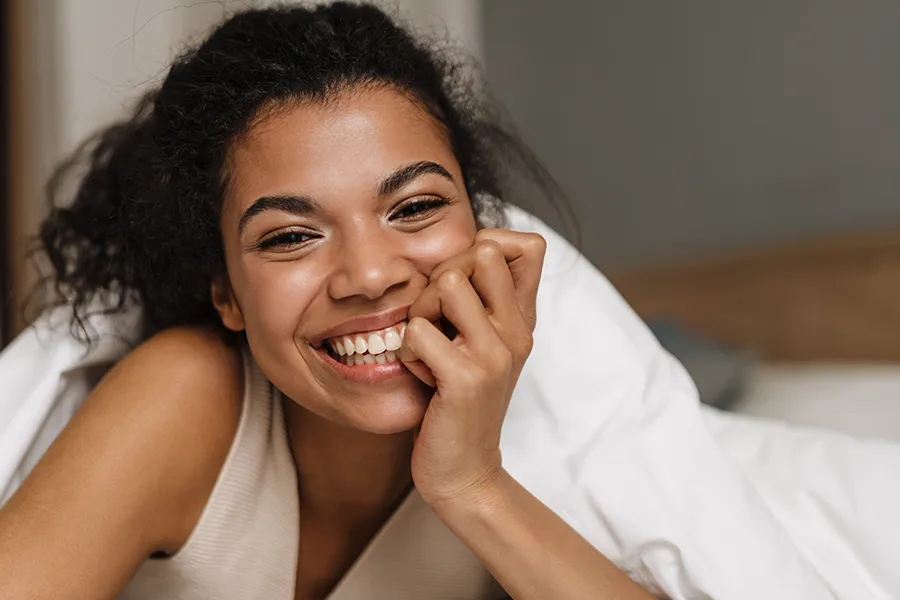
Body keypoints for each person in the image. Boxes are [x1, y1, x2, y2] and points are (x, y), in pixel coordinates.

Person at [0, 4, 655, 599]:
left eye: (416, 207)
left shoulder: (544, 409)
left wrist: (474, 485)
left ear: (478, 228)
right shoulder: (185, 395)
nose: (368, 275)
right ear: (225, 293)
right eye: (289, 236)